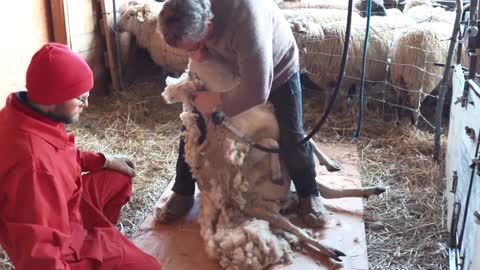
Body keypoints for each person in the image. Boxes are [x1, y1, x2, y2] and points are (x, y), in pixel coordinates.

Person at [156, 0, 327, 227]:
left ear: (207, 25)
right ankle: (183, 191)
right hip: (222, 56)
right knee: (193, 124)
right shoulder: (189, 11)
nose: (190, 52)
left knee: (290, 132)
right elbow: (188, 31)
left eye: (191, 46)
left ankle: (309, 193)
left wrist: (217, 101)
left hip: (275, 68)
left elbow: (257, 90)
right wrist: (198, 51)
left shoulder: (247, 19)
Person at [0, 43, 162, 270]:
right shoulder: (34, 167)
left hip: (68, 207)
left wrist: (103, 159)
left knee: (118, 178)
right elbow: (38, 256)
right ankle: (95, 252)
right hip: (63, 243)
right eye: (81, 98)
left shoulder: (25, 112)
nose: (87, 104)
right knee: (149, 267)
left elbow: (59, 152)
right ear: (55, 96)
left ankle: (103, 238)